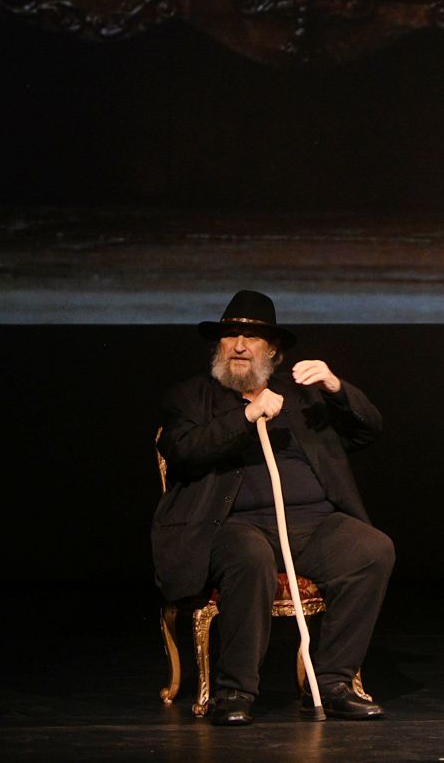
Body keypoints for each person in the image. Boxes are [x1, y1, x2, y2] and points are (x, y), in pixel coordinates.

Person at [152, 290, 393, 725]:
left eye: (252, 337)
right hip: (233, 527)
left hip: (313, 525)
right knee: (250, 556)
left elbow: (367, 431)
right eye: (231, 335)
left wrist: (337, 389)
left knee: (372, 549)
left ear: (274, 350)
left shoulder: (302, 396)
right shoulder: (190, 397)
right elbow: (183, 450)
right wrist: (246, 417)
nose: (240, 345)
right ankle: (234, 692)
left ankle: (333, 684)